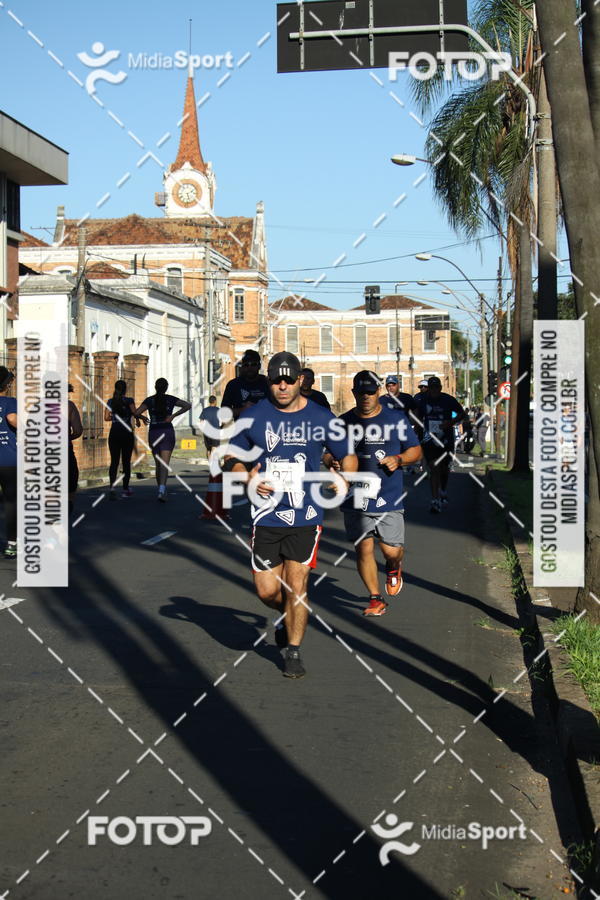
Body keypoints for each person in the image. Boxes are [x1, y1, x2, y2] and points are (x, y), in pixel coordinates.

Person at [223, 351, 358, 679]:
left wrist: (344, 478)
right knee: (267, 590)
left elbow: (348, 455)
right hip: (266, 516)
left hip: (306, 515)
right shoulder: (254, 417)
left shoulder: (322, 417)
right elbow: (231, 458)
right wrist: (248, 476)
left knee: (298, 586)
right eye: (275, 380)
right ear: (268, 381)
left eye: (288, 380)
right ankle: (286, 612)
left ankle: (293, 651)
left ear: (300, 380)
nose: (282, 386)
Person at [326, 371, 421, 617]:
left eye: (370, 392)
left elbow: (415, 451)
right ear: (354, 393)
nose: (366, 396)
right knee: (363, 549)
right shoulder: (343, 421)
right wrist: (333, 461)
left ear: (378, 392)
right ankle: (375, 598)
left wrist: (399, 459)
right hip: (355, 496)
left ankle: (394, 566)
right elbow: (327, 452)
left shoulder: (395, 419)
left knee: (390, 551)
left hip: (388, 494)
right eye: (361, 392)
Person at [412, 376, 468, 513]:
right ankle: (435, 500)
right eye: (431, 388)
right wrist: (416, 436)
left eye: (436, 388)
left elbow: (462, 414)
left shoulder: (448, 399)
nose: (434, 390)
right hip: (429, 440)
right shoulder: (423, 400)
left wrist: (450, 423)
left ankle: (443, 489)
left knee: (444, 468)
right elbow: (418, 418)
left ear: (440, 388)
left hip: (446, 439)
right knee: (433, 467)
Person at [135, 379, 191, 502]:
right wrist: (173, 416)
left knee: (158, 464)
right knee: (165, 464)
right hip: (167, 431)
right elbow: (188, 405)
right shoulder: (170, 399)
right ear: (166, 387)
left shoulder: (149, 400)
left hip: (154, 432)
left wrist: (143, 417)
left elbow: (136, 412)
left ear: (155, 387)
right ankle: (162, 490)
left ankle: (160, 489)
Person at [104, 380, 144, 499]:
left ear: (115, 388)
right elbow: (135, 413)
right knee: (126, 462)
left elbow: (106, 417)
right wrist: (138, 419)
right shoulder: (129, 400)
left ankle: (112, 488)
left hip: (114, 433)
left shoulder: (111, 401)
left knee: (114, 462)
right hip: (126, 433)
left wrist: (115, 417)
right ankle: (125, 489)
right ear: (125, 389)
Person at [221, 349, 269, 419]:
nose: (250, 368)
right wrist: (243, 410)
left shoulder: (267, 383)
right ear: (242, 366)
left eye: (253, 364)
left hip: (265, 428)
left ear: (259, 366)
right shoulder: (233, 385)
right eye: (246, 365)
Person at [0, 367, 17, 558]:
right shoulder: (9, 402)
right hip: (8, 460)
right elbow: (13, 419)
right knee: (11, 502)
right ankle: (12, 543)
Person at [68, 384, 83, 517]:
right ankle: (69, 502)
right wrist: (68, 437)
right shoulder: (69, 406)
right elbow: (78, 431)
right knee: (72, 476)